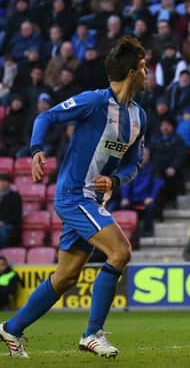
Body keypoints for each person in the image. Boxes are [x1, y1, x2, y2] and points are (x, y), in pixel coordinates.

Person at [0, 36, 148, 358]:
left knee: (66, 276)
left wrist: (115, 179)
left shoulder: (139, 116)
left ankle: (11, 329)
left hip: (93, 201)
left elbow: (135, 163)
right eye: (144, 67)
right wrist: (37, 150)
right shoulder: (95, 102)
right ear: (131, 73)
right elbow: (46, 117)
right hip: (73, 195)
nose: (148, 72)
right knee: (120, 251)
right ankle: (92, 333)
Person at [119, 148, 164, 237]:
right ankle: (131, 232)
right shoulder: (131, 168)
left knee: (151, 206)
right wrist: (125, 197)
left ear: (149, 157)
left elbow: (157, 184)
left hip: (147, 198)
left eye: (145, 156)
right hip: (132, 198)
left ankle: (148, 230)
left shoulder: (153, 168)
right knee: (122, 205)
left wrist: (152, 197)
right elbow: (125, 184)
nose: (142, 158)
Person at [0, 173, 22, 248]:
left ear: (9, 183)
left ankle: (3, 251)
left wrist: (3, 222)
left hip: (9, 224)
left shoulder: (15, 196)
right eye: (0, 181)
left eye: (4, 181)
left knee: (3, 231)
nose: (2, 184)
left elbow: (17, 215)